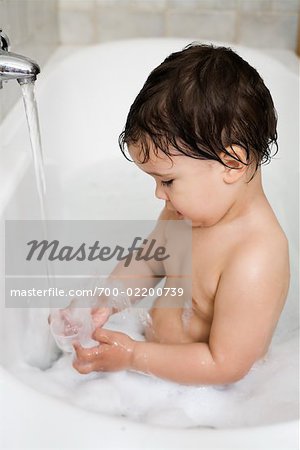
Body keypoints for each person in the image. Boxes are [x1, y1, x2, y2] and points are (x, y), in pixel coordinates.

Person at [71, 43, 290, 385]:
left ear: (231, 163)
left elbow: (226, 365)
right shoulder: (182, 213)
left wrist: (133, 356)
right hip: (155, 366)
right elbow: (148, 263)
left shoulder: (255, 257)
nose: (160, 194)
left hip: (212, 396)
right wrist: (103, 302)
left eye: (168, 180)